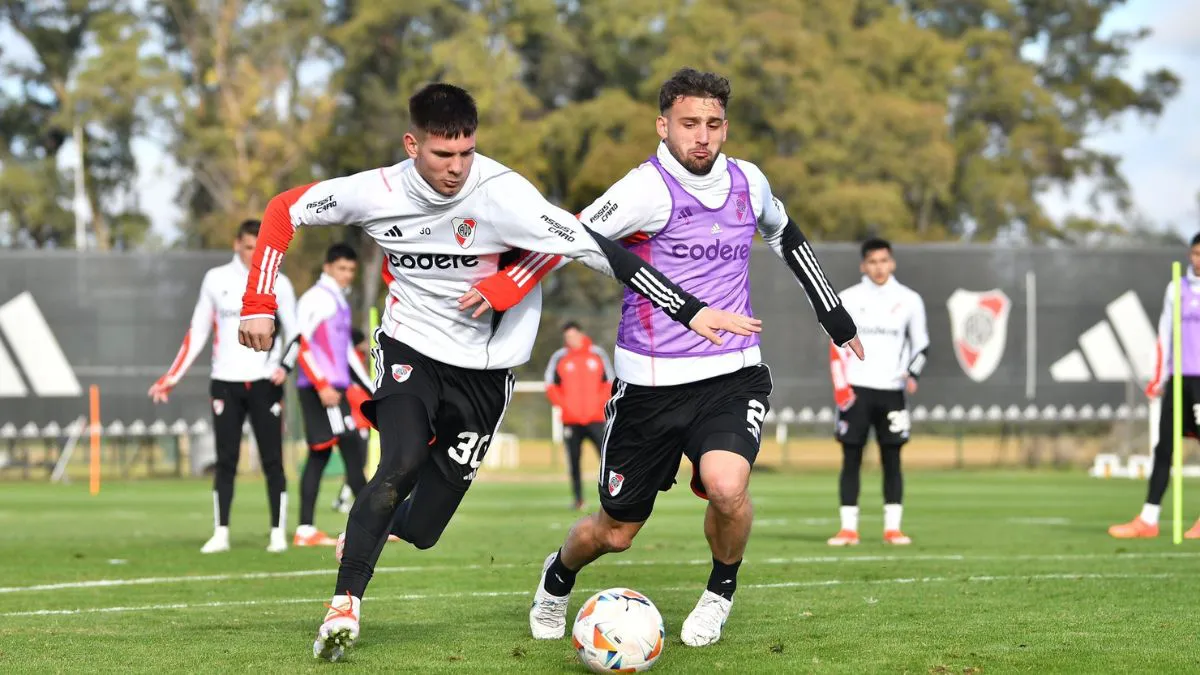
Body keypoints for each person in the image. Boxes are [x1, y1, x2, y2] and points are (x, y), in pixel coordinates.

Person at [235, 83, 760, 661]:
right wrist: (258, 303)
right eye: (442, 155)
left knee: (426, 526)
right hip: (411, 345)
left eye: (466, 153)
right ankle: (344, 607)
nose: (457, 168)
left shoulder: (504, 194)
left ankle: (377, 522)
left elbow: (593, 247)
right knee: (400, 461)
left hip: (487, 371)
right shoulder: (375, 191)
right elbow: (284, 209)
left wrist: (689, 310)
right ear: (413, 145)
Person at [472, 67, 861, 647]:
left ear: (725, 127)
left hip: (732, 373)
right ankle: (557, 577)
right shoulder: (642, 189)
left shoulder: (748, 182)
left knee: (727, 486)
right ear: (663, 126)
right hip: (648, 388)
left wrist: (834, 315)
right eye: (688, 124)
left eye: (712, 124)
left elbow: (786, 235)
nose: (701, 136)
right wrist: (507, 287)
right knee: (615, 532)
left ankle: (719, 593)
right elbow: (578, 240)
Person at [148, 219, 297, 554]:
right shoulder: (215, 280)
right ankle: (221, 532)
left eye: (259, 248)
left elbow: (295, 331)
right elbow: (198, 331)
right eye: (248, 247)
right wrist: (172, 377)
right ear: (236, 245)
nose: (253, 254)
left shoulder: (279, 282)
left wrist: (283, 366)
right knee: (226, 460)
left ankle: (277, 532)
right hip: (225, 384)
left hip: (264, 383)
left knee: (272, 460)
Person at [826, 238, 928, 547]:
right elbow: (836, 346)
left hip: (891, 391)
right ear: (863, 265)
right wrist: (841, 387)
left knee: (892, 458)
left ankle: (893, 528)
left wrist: (912, 373)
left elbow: (921, 344)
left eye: (884, 261)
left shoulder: (910, 300)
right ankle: (848, 529)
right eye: (872, 262)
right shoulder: (847, 298)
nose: (878, 267)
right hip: (856, 390)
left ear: (892, 263)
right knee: (851, 457)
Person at [280, 243, 374, 547]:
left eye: (351, 270)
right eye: (342, 269)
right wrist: (321, 384)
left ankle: (370, 525)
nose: (347, 275)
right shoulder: (316, 299)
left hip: (337, 390)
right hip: (320, 391)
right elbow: (300, 341)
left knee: (339, 454)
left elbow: (345, 353)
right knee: (338, 451)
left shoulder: (339, 301)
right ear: (328, 267)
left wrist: (374, 389)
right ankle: (368, 525)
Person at [1109, 232, 1200, 539]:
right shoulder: (1177, 288)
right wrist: (1158, 377)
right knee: (1164, 448)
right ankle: (1149, 518)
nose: (1198, 259)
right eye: (1195, 253)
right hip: (1178, 380)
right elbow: (1165, 335)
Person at [545, 321, 613, 510]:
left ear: (581, 334)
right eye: (567, 337)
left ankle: (613, 499)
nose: (571, 340)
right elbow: (550, 386)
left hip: (597, 419)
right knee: (574, 463)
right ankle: (578, 500)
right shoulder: (560, 357)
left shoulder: (597, 354)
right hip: (571, 421)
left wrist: (599, 405)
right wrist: (565, 407)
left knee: (607, 459)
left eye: (573, 336)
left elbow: (610, 382)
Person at [330, 329, 373, 515]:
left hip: (358, 420)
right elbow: (355, 393)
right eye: (363, 341)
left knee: (356, 465)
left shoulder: (359, 359)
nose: (366, 345)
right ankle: (360, 507)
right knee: (357, 464)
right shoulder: (352, 361)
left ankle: (343, 500)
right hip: (357, 421)